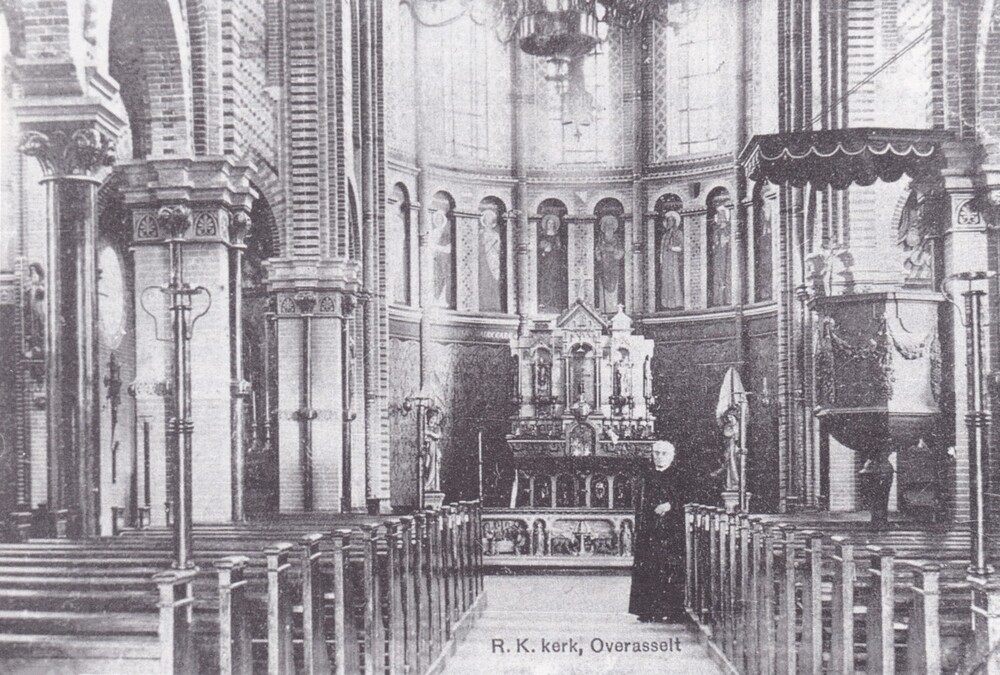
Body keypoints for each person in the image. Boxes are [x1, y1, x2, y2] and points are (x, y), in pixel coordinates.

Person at [629, 440, 686, 623]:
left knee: (670, 569)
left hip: (672, 531)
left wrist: (670, 506)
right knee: (648, 569)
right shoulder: (646, 475)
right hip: (649, 530)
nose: (659, 457)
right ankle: (647, 611)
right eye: (656, 453)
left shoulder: (679, 475)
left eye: (664, 453)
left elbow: (687, 499)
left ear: (672, 456)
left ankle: (672, 611)